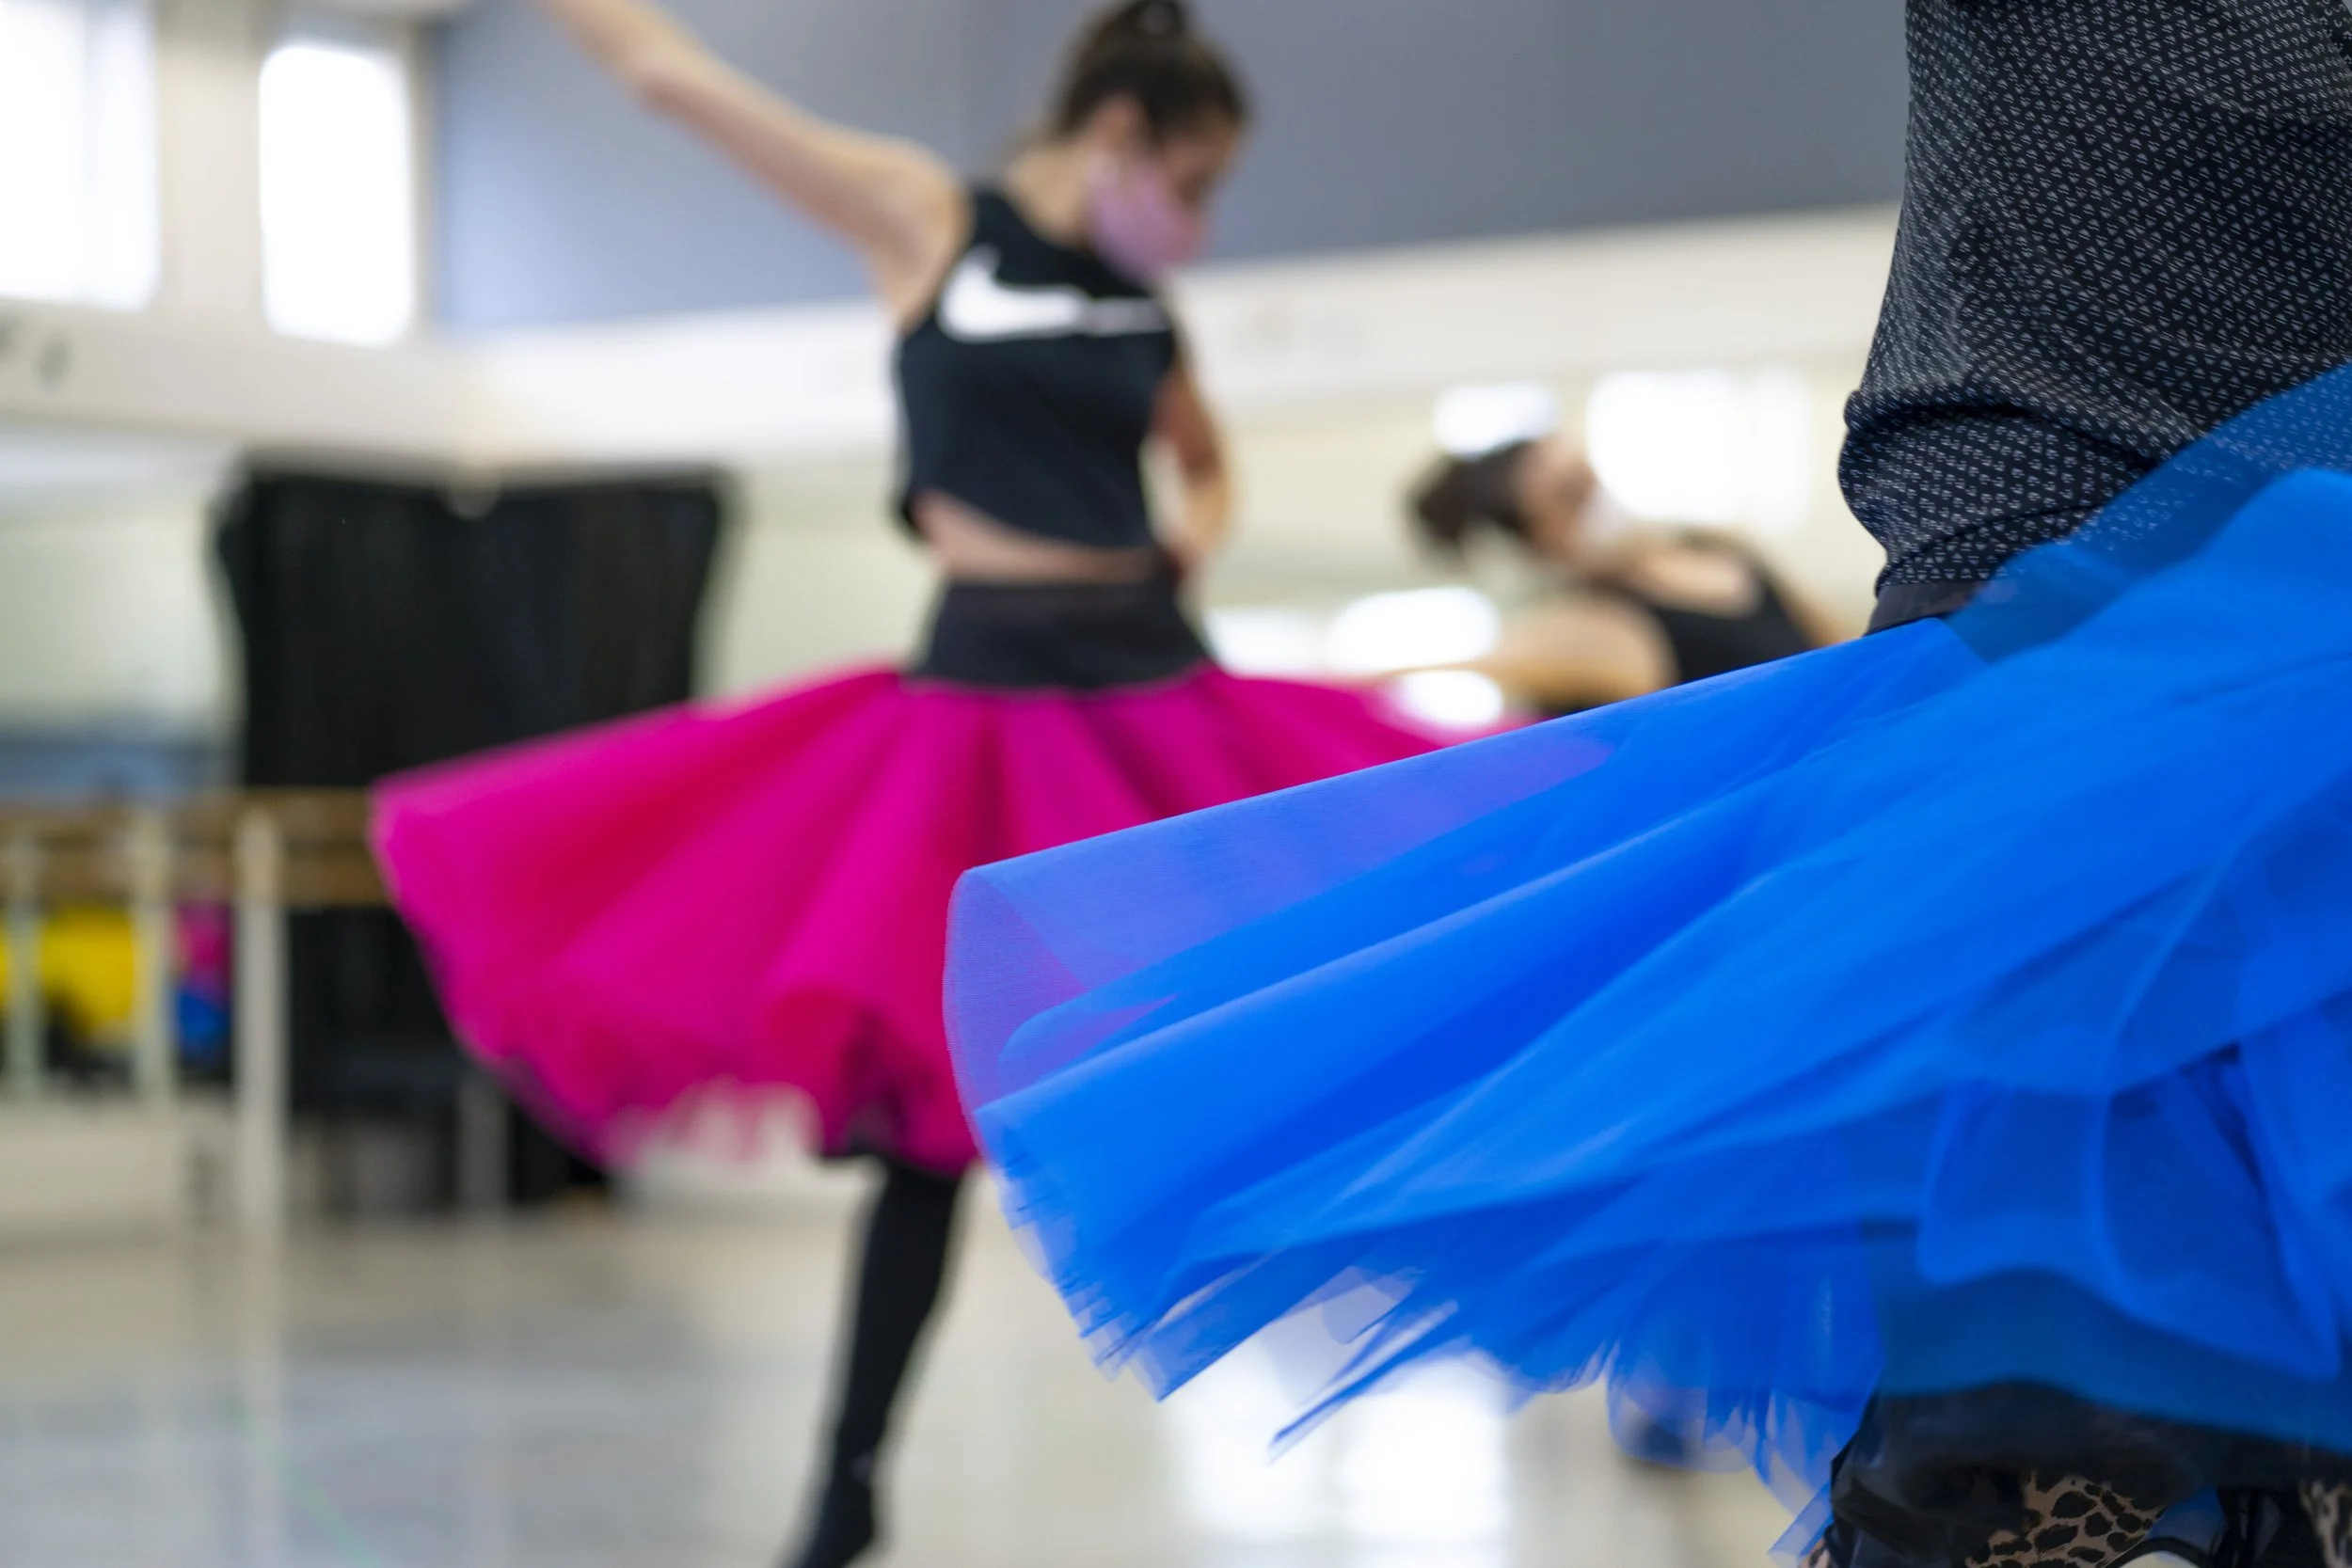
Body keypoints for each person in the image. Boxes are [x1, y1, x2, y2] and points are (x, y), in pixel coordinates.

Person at [940, 5, 2352, 1568]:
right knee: (2039, 1400)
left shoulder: (1707, 558)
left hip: (2262, 649)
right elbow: (1576, 714)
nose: (1581, 480)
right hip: (2028, 677)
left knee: (2267, 1370)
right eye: (1550, 478)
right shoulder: (1586, 616)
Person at [368, 7, 1454, 1567]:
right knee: (924, 1129)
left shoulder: (1141, 300)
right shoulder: (928, 219)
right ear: (1123, 139)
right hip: (979, 712)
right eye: (1192, 184)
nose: (1197, 227)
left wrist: (1199, 519)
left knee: (1273, 1016)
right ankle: (847, 1481)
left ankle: (1360, 1347)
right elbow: (674, 82)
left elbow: (1200, 456)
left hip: (1152, 699)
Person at [1408, 435, 1827, 714]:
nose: (1596, 497)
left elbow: (1833, 642)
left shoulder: (1719, 547)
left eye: (1586, 473)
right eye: (1571, 497)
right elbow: (1485, 666)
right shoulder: (1594, 626)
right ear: (1537, 546)